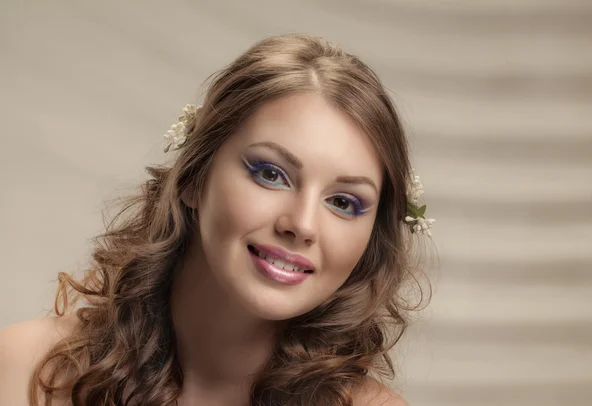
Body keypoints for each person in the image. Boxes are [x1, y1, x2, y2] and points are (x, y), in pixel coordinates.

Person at [0, 33, 435, 405]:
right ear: (194, 176)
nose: (302, 224)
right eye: (271, 174)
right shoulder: (22, 370)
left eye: (343, 203)